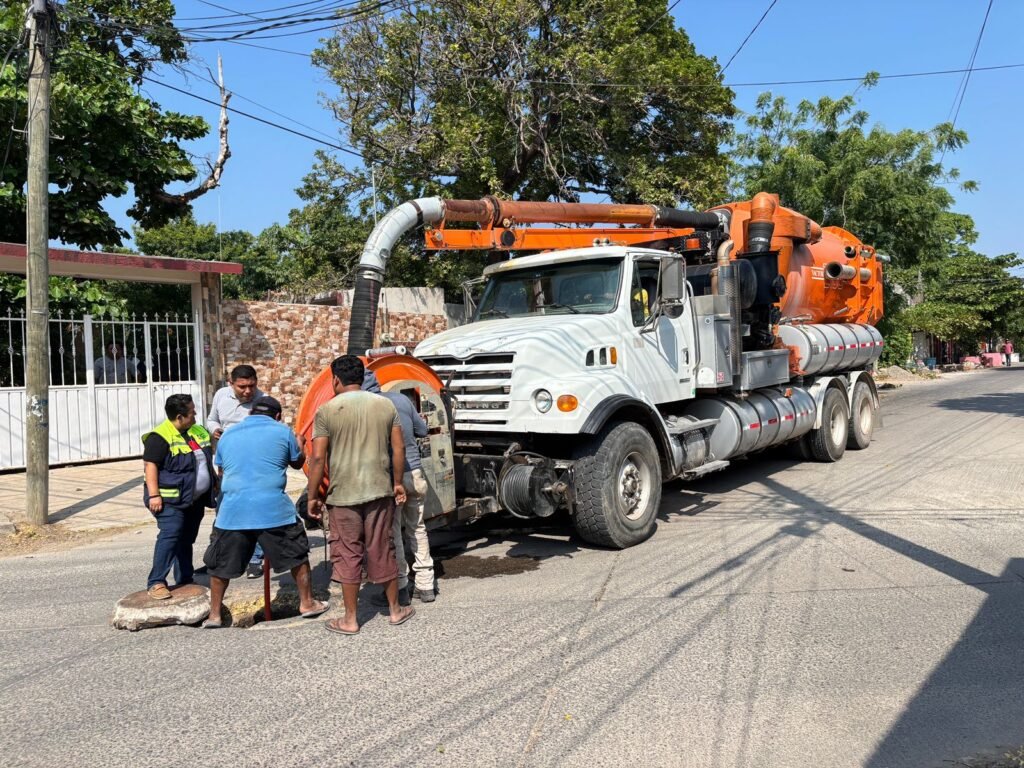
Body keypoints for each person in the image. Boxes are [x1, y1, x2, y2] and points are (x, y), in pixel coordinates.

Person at [306, 355, 415, 635]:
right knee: (383, 548)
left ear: (335, 380)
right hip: (379, 490)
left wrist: (313, 496)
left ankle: (350, 619)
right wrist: (398, 483)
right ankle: (395, 610)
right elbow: (399, 449)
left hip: (343, 495)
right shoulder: (385, 405)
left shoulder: (326, 410)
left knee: (347, 553)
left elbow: (317, 459)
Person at [201, 396, 328, 628]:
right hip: (273, 510)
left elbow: (222, 468)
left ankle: (214, 615)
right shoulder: (283, 432)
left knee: (220, 565)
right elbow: (297, 462)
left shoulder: (228, 434)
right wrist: (299, 444)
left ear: (251, 413)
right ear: (278, 416)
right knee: (297, 556)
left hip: (232, 512)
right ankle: (307, 603)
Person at [363, 371, 435, 605]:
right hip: (415, 473)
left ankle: (401, 588)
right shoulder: (402, 399)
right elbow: (422, 430)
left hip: (391, 477)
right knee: (418, 528)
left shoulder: (368, 407)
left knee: (394, 533)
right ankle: (426, 585)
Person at [142, 394, 216, 600]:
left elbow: (205, 460)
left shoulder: (196, 431)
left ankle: (184, 578)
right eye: (192, 412)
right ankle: (156, 582)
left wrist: (214, 482)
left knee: (186, 539)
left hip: (193, 499)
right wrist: (154, 495)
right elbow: (150, 466)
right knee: (171, 535)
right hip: (169, 501)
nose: (195, 414)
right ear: (179, 417)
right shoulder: (160, 437)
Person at [207, 364, 265, 578]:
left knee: (254, 513)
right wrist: (215, 429)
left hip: (254, 467)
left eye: (252, 386)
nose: (248, 391)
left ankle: (255, 559)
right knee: (224, 511)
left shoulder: (263, 401)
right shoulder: (221, 396)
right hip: (227, 466)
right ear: (231, 384)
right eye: (242, 387)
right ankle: (218, 556)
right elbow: (211, 419)